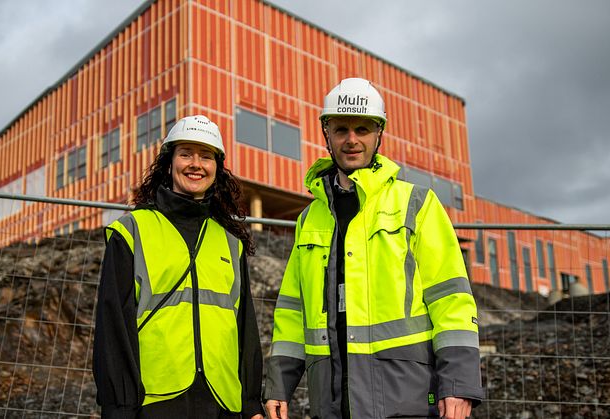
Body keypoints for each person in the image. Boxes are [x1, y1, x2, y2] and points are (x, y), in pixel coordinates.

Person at [264, 78, 484, 419]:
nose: (351, 140)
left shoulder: (416, 203)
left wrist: (457, 383)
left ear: (378, 133)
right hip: (333, 398)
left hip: (402, 394)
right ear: (326, 133)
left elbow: (451, 298)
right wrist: (279, 385)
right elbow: (293, 310)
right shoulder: (310, 218)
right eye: (341, 130)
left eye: (362, 129)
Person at [93, 115, 264, 419]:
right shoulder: (131, 231)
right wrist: (119, 407)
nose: (196, 164)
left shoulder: (229, 242)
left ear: (217, 168)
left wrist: (251, 403)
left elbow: (245, 328)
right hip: (155, 402)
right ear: (168, 163)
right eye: (186, 154)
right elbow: (113, 327)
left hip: (223, 403)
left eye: (206, 156)